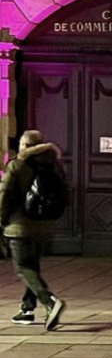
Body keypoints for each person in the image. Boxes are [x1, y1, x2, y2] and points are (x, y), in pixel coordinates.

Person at [0, 129, 67, 331]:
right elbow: (64, 193)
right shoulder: (54, 165)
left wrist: (1, 219)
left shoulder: (18, 165)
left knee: (23, 267)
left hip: (20, 227)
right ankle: (27, 309)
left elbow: (4, 194)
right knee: (33, 267)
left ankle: (50, 302)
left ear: (25, 146)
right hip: (45, 226)